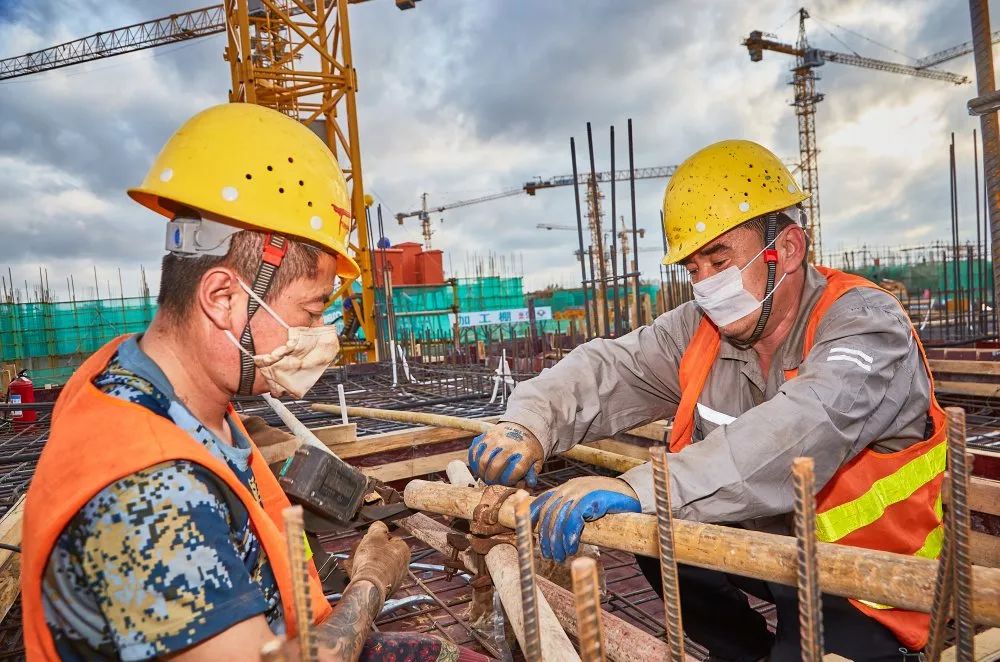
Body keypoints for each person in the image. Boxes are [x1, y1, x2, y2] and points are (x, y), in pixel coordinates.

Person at [467, 140, 945, 661]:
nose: (708, 285)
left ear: (786, 248)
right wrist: (530, 423)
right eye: (694, 269)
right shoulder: (705, 328)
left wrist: (644, 486)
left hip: (864, 577)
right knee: (648, 535)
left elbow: (800, 428)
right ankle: (743, 651)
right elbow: (610, 366)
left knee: (656, 507)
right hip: (771, 547)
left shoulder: (865, 323)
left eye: (721, 260)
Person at [20, 103, 419, 661]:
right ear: (224, 299)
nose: (318, 335)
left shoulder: (173, 393)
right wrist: (370, 582)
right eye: (309, 310)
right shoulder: (147, 495)